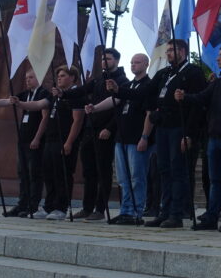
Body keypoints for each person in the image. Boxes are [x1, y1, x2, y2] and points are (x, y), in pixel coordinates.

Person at [175, 44, 221, 233]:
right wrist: (185, 97)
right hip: (214, 137)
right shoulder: (218, 82)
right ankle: (211, 216)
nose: (218, 58)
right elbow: (202, 97)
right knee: (215, 180)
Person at [142, 39, 206, 229]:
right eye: (168, 50)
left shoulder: (193, 72)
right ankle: (164, 211)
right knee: (164, 170)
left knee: (178, 170)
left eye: (172, 50)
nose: (168, 53)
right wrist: (119, 91)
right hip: (163, 127)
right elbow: (146, 91)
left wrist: (190, 134)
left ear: (183, 51)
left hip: (180, 127)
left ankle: (177, 214)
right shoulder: (164, 73)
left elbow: (198, 106)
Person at [14, 65, 86, 220]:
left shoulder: (76, 95)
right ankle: (48, 206)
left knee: (62, 174)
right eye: (58, 76)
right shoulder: (55, 95)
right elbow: (38, 104)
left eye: (63, 76)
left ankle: (61, 207)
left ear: (72, 78)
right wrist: (20, 103)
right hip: (50, 140)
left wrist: (69, 142)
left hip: (64, 140)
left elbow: (78, 121)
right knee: (49, 174)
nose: (59, 78)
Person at [87, 53, 151, 225]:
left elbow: (148, 112)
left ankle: (136, 212)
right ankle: (125, 210)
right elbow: (114, 99)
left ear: (146, 64)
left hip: (136, 138)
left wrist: (144, 136)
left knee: (137, 177)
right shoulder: (129, 85)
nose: (133, 65)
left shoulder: (148, 85)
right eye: (131, 62)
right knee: (123, 179)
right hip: (121, 137)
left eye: (137, 62)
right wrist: (95, 108)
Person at [0, 67, 49, 217]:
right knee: (23, 173)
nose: (28, 80)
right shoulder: (25, 94)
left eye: (31, 78)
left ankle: (33, 205)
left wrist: (37, 138)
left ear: (39, 78)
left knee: (34, 173)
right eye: (26, 78)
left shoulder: (44, 93)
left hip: (35, 140)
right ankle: (22, 204)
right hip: (23, 138)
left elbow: (44, 117)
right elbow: (8, 101)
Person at [76, 48, 127, 221]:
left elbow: (119, 108)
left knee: (103, 170)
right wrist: (63, 93)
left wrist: (110, 128)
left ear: (117, 60)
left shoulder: (122, 81)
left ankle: (100, 208)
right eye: (103, 59)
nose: (105, 62)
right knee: (88, 171)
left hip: (105, 131)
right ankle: (87, 207)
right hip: (91, 129)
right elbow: (82, 90)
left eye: (109, 59)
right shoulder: (99, 79)